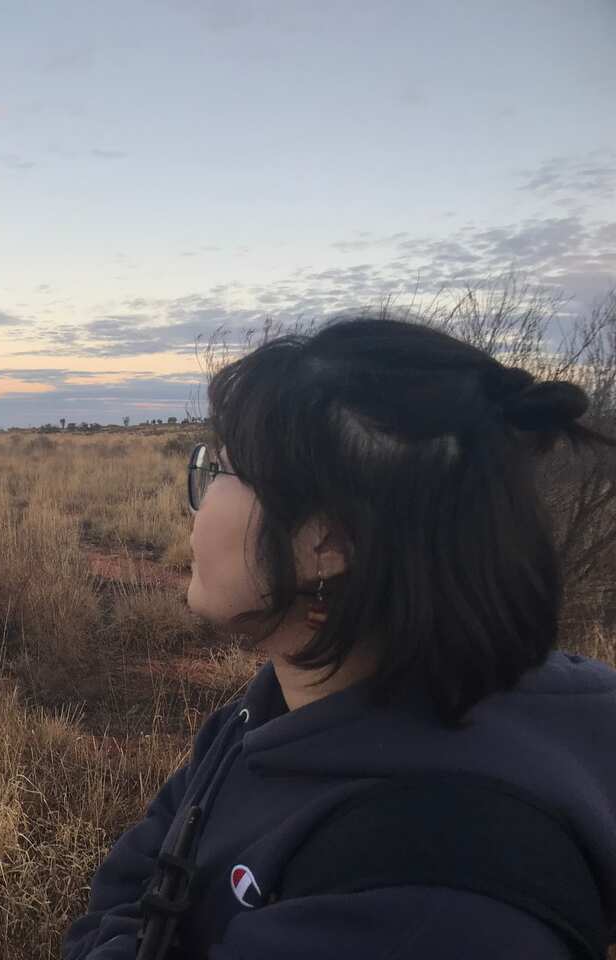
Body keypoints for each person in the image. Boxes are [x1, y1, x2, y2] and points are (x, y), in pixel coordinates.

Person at [62, 315, 616, 959]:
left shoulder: (429, 900)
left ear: (326, 542)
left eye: (222, 470)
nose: (196, 502)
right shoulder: (269, 710)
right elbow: (128, 886)